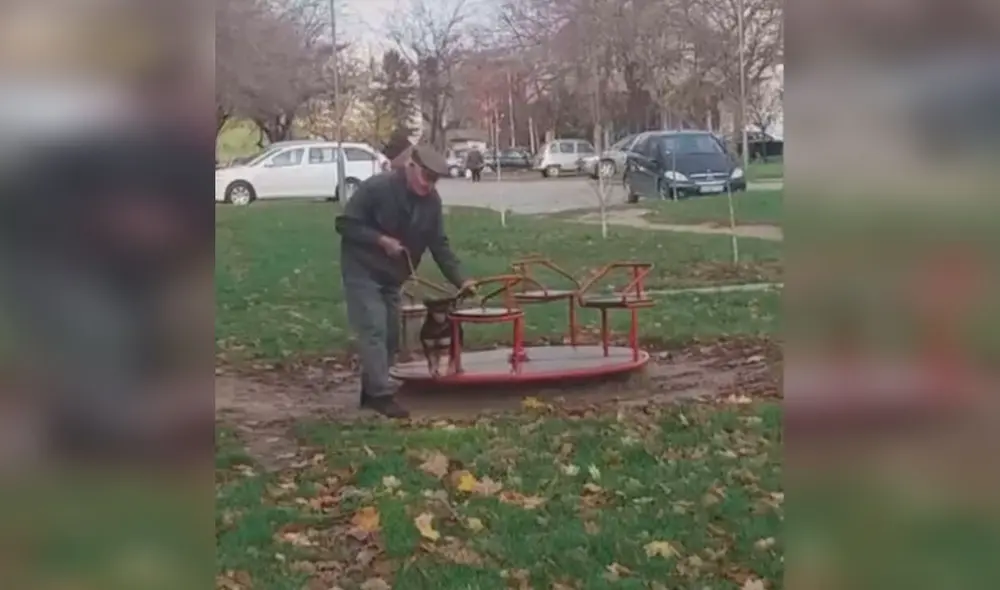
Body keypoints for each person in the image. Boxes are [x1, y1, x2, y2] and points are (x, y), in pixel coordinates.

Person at [335, 145, 476, 418]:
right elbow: (345, 224)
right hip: (362, 269)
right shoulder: (376, 188)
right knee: (373, 327)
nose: (429, 185)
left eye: (434, 180)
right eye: (426, 177)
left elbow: (439, 245)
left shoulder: (432, 203)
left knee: (389, 334)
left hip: (394, 275)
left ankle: (370, 391)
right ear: (410, 167)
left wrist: (462, 279)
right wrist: (381, 240)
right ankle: (381, 395)